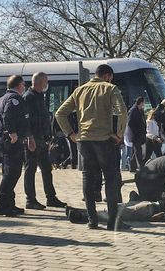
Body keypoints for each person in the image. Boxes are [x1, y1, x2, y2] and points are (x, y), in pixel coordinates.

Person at [55, 64, 128, 231]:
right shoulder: (110, 88)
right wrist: (119, 133)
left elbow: (60, 113)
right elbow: (122, 111)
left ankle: (92, 220)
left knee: (88, 179)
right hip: (104, 140)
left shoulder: (79, 90)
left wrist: (71, 134)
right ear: (108, 76)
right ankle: (113, 221)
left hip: (84, 141)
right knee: (110, 179)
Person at [23, 72, 66, 210]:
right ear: (39, 82)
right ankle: (30, 199)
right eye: (45, 82)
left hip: (41, 139)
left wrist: (48, 137)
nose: (46, 85)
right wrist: (30, 137)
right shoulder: (28, 97)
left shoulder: (40, 96)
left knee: (47, 169)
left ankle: (51, 197)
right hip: (32, 139)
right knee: (30, 169)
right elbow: (26, 120)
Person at [0, 75, 32, 217]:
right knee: (12, 173)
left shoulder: (1, 99)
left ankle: (9, 203)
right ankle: (2, 204)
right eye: (23, 85)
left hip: (3, 141)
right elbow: (8, 116)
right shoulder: (14, 99)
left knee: (8, 172)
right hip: (11, 142)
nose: (24, 87)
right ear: (19, 85)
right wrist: (13, 133)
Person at [126, 96, 147, 172]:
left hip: (139, 134)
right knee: (138, 151)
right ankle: (141, 167)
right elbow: (130, 122)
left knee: (134, 151)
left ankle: (132, 167)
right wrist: (136, 129)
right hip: (135, 134)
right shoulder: (133, 110)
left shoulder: (140, 110)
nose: (143, 104)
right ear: (140, 102)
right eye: (143, 103)